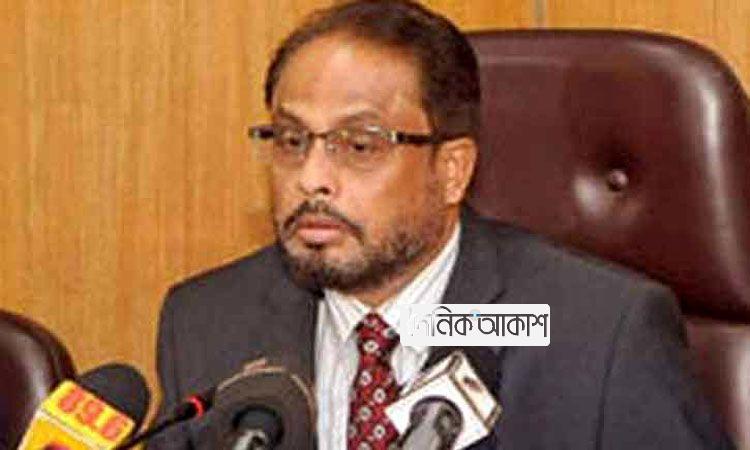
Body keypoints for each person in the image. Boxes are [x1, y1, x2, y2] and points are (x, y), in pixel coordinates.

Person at [147, 1, 734, 449]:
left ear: (452, 171)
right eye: (291, 140)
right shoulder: (208, 323)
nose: (312, 178)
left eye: (359, 145)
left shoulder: (592, 334)